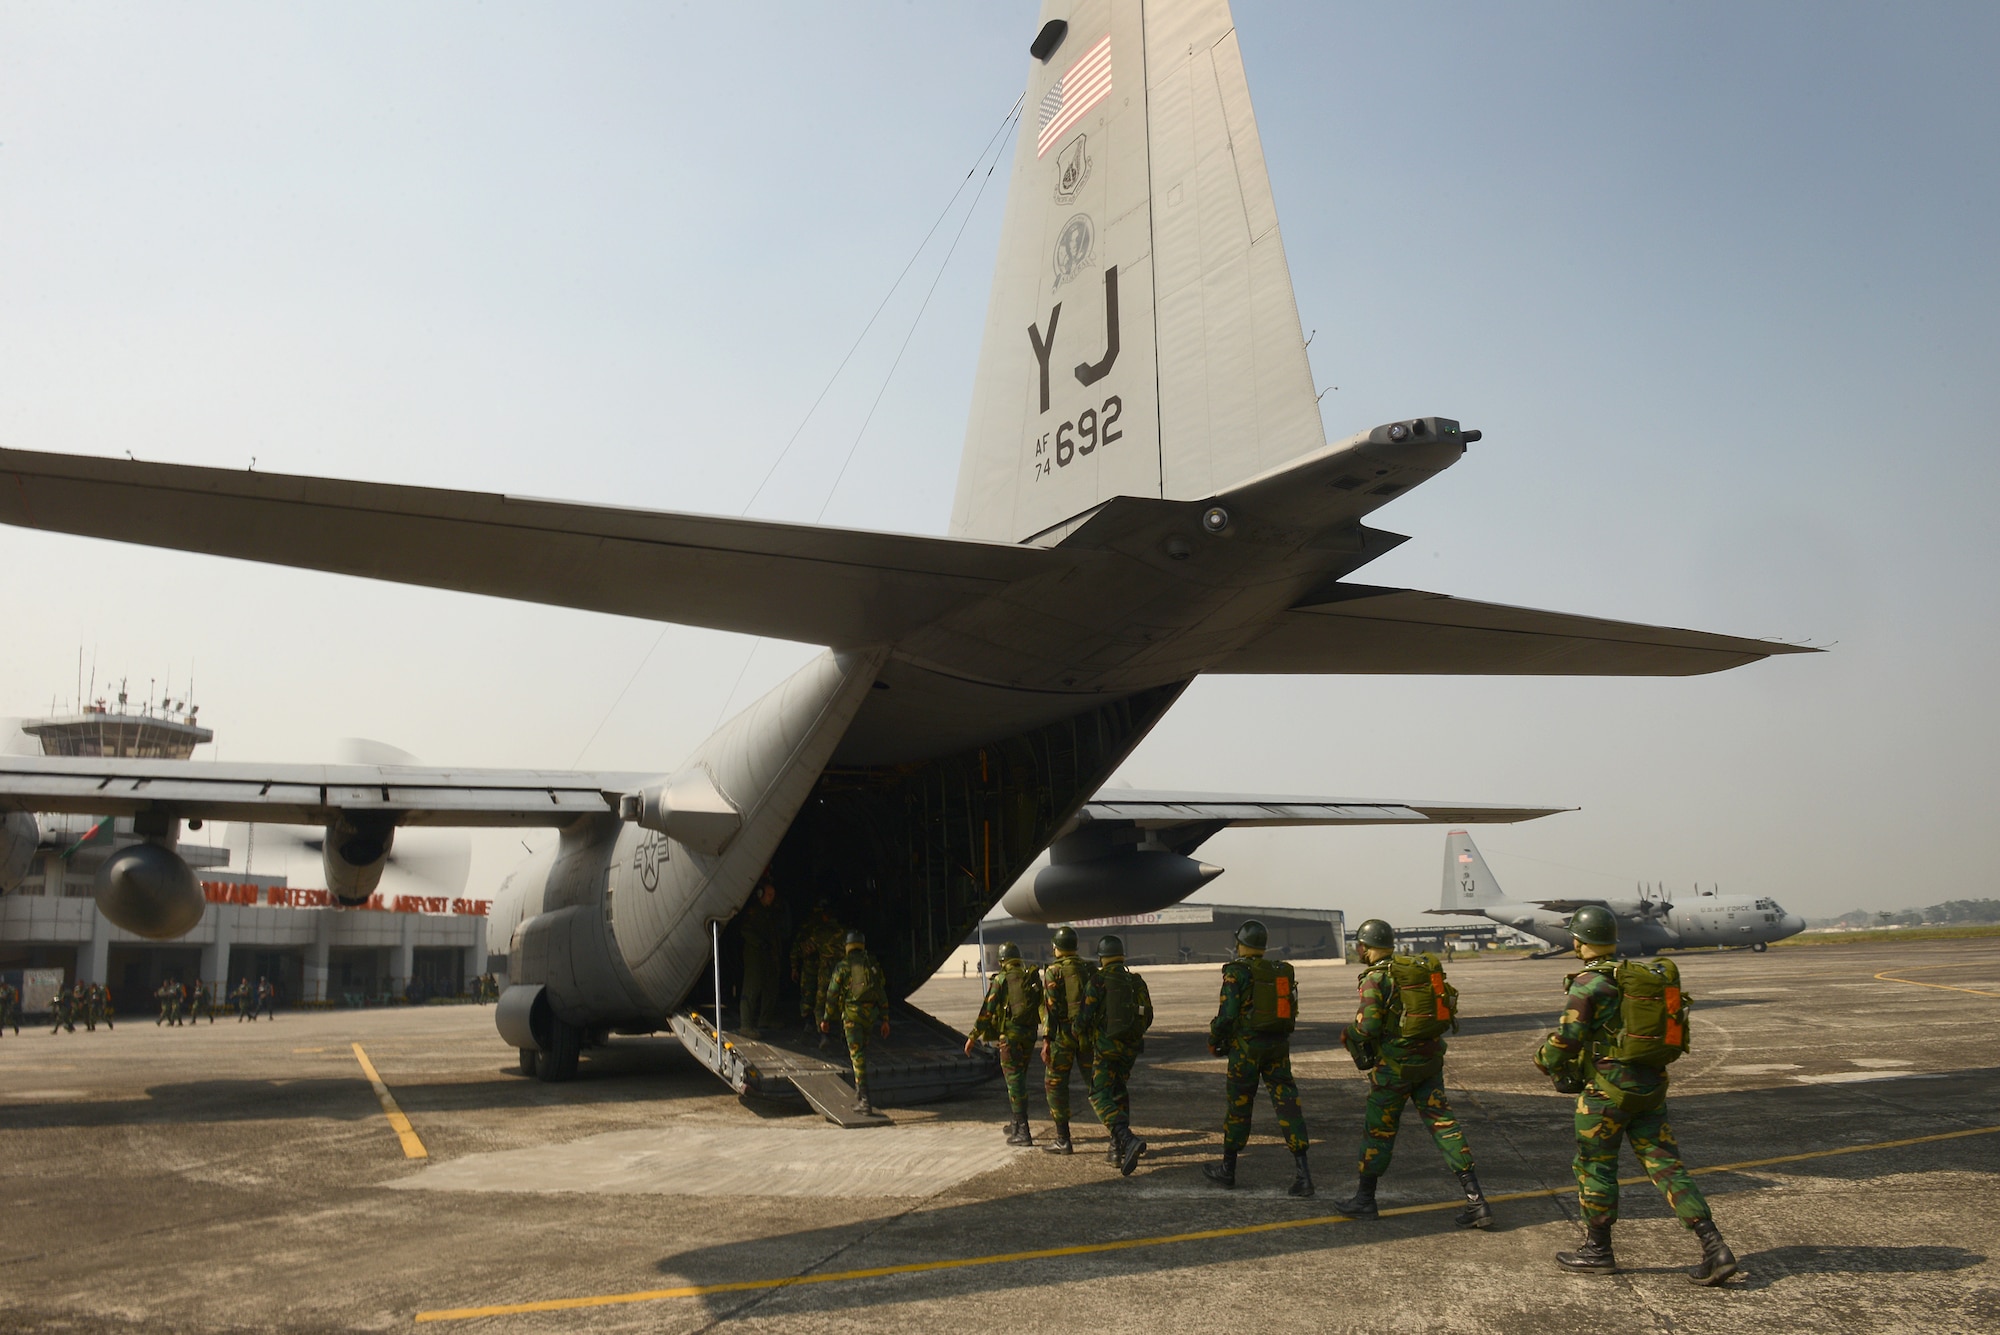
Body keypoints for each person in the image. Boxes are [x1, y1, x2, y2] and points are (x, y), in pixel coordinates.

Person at [1534, 905, 1737, 1284]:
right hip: (1649, 1088)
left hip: (1606, 1095)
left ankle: (1598, 1251)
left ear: (1578, 941)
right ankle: (1714, 1245)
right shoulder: (1637, 977)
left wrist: (1543, 1060)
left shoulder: (1589, 983)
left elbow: (1567, 1040)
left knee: (1595, 1167)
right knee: (1666, 1164)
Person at [1332, 918, 1493, 1229]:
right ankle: (1477, 1200)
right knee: (1444, 1124)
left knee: (1379, 1130)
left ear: (1366, 947)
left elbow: (1368, 1026)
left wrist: (1348, 1035)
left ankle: (1365, 1199)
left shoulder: (1375, 979)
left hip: (1394, 1068)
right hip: (1429, 1061)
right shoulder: (1414, 971)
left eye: (1360, 946)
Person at [1203, 920, 1313, 1196]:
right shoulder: (1281, 972)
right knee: (1288, 1105)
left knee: (1239, 1107)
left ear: (1241, 943)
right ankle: (1304, 1174)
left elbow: (1227, 1015)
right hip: (1277, 1048)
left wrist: (1216, 1041)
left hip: (1246, 1050)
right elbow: (1291, 1010)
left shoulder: (1236, 973)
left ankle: (1228, 1169)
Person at [1076, 934, 1152, 1176]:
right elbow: (1148, 1016)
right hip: (1130, 1049)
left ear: (1101, 957)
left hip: (1106, 1048)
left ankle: (1126, 1138)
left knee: (1099, 1093)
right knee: (1118, 1091)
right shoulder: (1136, 982)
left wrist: (1078, 1033)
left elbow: (1085, 1017)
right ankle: (1117, 1150)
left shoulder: (1098, 981)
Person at [967, 941, 1042, 1145]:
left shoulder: (1001, 979)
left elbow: (988, 1010)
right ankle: (1016, 1124)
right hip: (1029, 1036)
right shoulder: (1029, 978)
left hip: (1009, 1037)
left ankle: (1023, 1130)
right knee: (1020, 1078)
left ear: (1002, 961)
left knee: (1014, 1082)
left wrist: (974, 1036)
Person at [1039, 925, 1097, 1156]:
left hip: (1062, 1037)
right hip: (1087, 1037)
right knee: (1096, 1085)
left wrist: (1046, 1041)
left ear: (1056, 947)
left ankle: (1063, 1139)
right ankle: (1118, 1137)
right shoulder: (1090, 968)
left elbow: (1050, 1010)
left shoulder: (1054, 972)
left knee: (1055, 1085)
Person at [821, 929, 889, 1115]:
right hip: (870, 1017)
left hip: (852, 1016)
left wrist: (826, 1018)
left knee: (857, 1057)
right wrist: (885, 1019)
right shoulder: (872, 965)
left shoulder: (843, 965)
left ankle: (864, 1101)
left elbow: (832, 994)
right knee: (862, 1054)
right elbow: (881, 992)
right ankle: (861, 1095)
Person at [735, 877, 787, 1039]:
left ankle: (765, 1018)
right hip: (755, 956)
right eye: (769, 895)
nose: (772, 898)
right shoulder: (754, 912)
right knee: (752, 988)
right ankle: (746, 1025)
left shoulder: (770, 912)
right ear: (761, 894)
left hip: (769, 955)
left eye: (773, 895)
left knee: (770, 986)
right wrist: (760, 943)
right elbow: (745, 930)